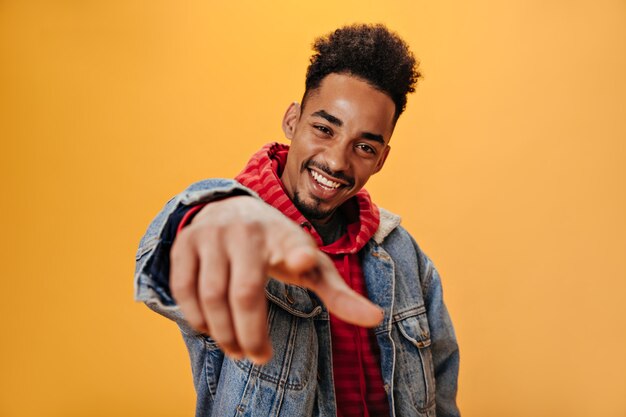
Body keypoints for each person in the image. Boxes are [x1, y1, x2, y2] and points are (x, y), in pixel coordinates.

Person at [134, 24, 460, 417]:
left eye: (364, 146)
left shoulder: (403, 255)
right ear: (292, 120)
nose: (337, 161)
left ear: (381, 159)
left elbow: (441, 392)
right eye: (324, 129)